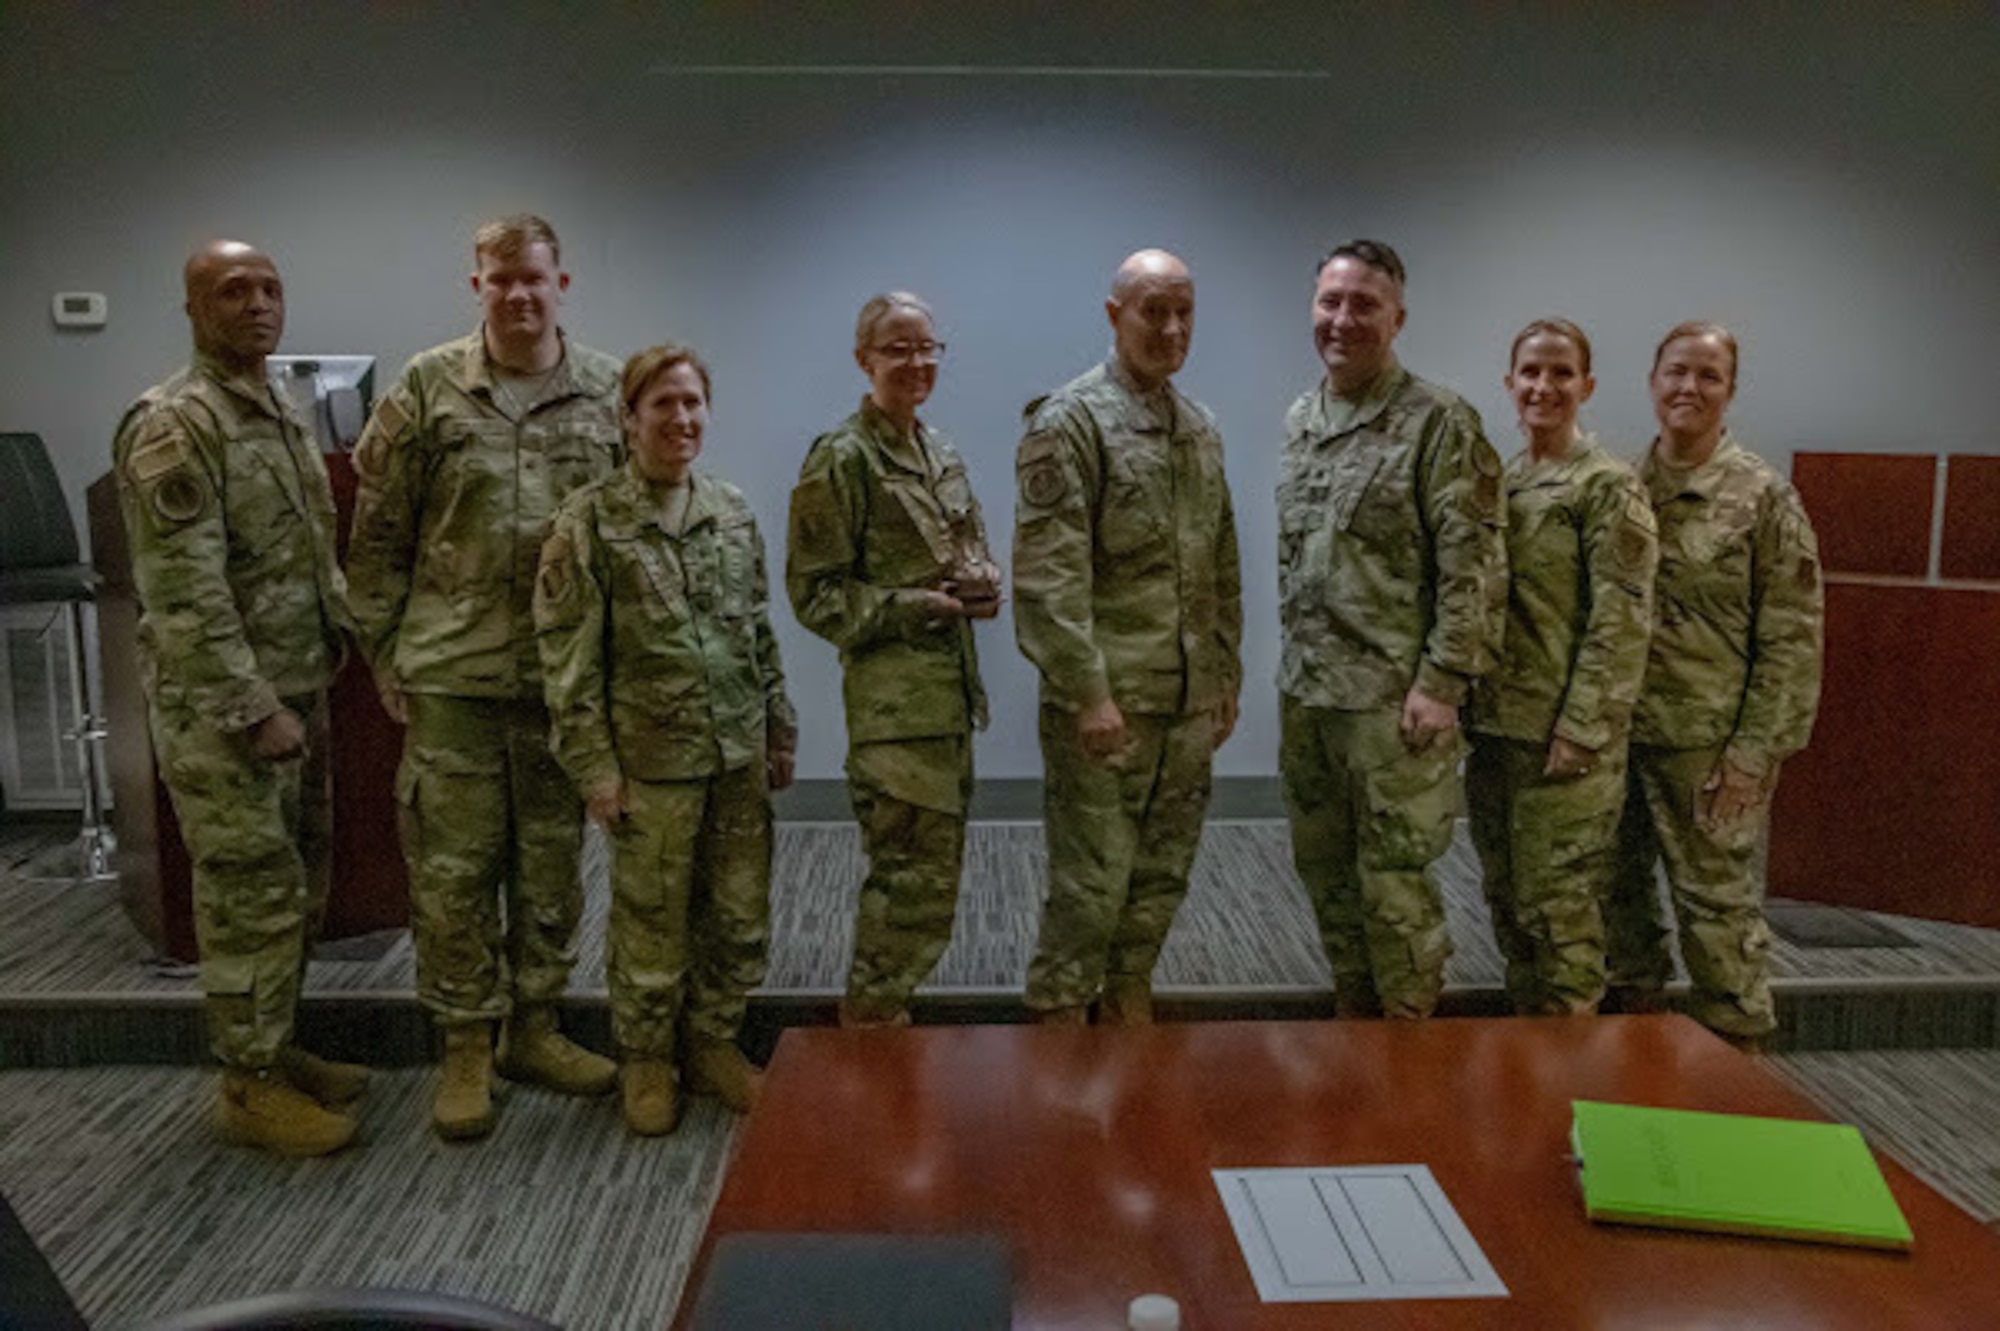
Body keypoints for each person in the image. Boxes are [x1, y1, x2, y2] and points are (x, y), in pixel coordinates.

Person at [346, 215, 622, 1140]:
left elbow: (627, 539)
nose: (518, 293)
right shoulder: (425, 388)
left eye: (533, 278)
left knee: (549, 868)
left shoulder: (611, 390)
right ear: (478, 286)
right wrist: (384, 652)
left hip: (561, 680)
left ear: (561, 283)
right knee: (455, 873)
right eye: (500, 278)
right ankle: (466, 1045)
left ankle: (535, 1028)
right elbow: (378, 537)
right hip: (454, 674)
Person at [112, 239, 363, 1156]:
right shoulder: (175, 425)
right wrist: (255, 708)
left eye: (269, 288)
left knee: (298, 886)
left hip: (298, 692)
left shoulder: (277, 409)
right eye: (232, 291)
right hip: (229, 716)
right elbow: (184, 591)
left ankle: (277, 1046)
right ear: (192, 309)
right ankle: (246, 1085)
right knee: (250, 892)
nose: (257, 304)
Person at [535, 345, 796, 1134]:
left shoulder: (730, 509)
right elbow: (568, 664)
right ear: (629, 418)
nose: (681, 420)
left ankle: (713, 1040)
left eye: (692, 404)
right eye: (663, 406)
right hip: (652, 764)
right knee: (651, 918)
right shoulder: (591, 522)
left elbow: (756, 629)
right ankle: (648, 1058)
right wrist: (594, 770)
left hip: (735, 753)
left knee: (738, 912)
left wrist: (778, 723)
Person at [1276, 239, 1507, 1020]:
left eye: (1363, 304)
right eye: (1330, 302)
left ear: (1398, 318)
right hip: (1309, 694)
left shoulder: (1440, 422)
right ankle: (1354, 1017)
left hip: (1393, 705)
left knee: (1395, 884)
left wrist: (1442, 684)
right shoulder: (1303, 418)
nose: (1343, 320)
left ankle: (1408, 1040)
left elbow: (1473, 565)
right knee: (1326, 874)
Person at [1013, 248, 1242, 1025]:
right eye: (1153, 310)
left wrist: (1224, 677)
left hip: (1183, 700)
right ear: (1114, 315)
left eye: (1184, 313)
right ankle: (1061, 1013)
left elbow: (1222, 563)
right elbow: (1049, 579)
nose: (1171, 328)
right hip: (1109, 703)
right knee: (1091, 880)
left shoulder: (1198, 427)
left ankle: (1126, 993)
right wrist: (1088, 692)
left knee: (1160, 873)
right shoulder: (1070, 423)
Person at [1604, 321, 1823, 1049]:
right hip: (1620, 737)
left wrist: (1755, 753)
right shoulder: (1622, 485)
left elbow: (1792, 637)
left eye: (1707, 376)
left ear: (1730, 390)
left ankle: (1741, 1070)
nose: (1688, 388)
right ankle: (1630, 1061)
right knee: (1616, 909)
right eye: (1676, 372)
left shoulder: (1762, 497)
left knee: (1718, 917)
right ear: (1652, 380)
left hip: (1709, 748)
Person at [787, 293, 1001, 1028]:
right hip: (893, 716)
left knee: (931, 883)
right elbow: (815, 594)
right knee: (908, 886)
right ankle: (870, 1027)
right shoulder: (842, 458)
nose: (915, 363)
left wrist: (983, 585)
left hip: (947, 703)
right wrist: (908, 607)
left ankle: (882, 1023)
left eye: (926, 349)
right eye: (897, 350)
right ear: (864, 360)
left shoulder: (937, 452)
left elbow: (968, 551)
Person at [1464, 319, 1658, 1015]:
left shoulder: (1606, 486)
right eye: (1530, 373)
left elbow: (1622, 617)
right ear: (1510, 383)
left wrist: (1583, 726)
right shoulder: (1506, 480)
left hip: (1564, 743)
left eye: (1561, 373)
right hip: (1497, 733)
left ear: (1587, 386)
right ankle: (1529, 1067)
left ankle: (1573, 1079)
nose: (1543, 387)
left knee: (1563, 915)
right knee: (1512, 908)